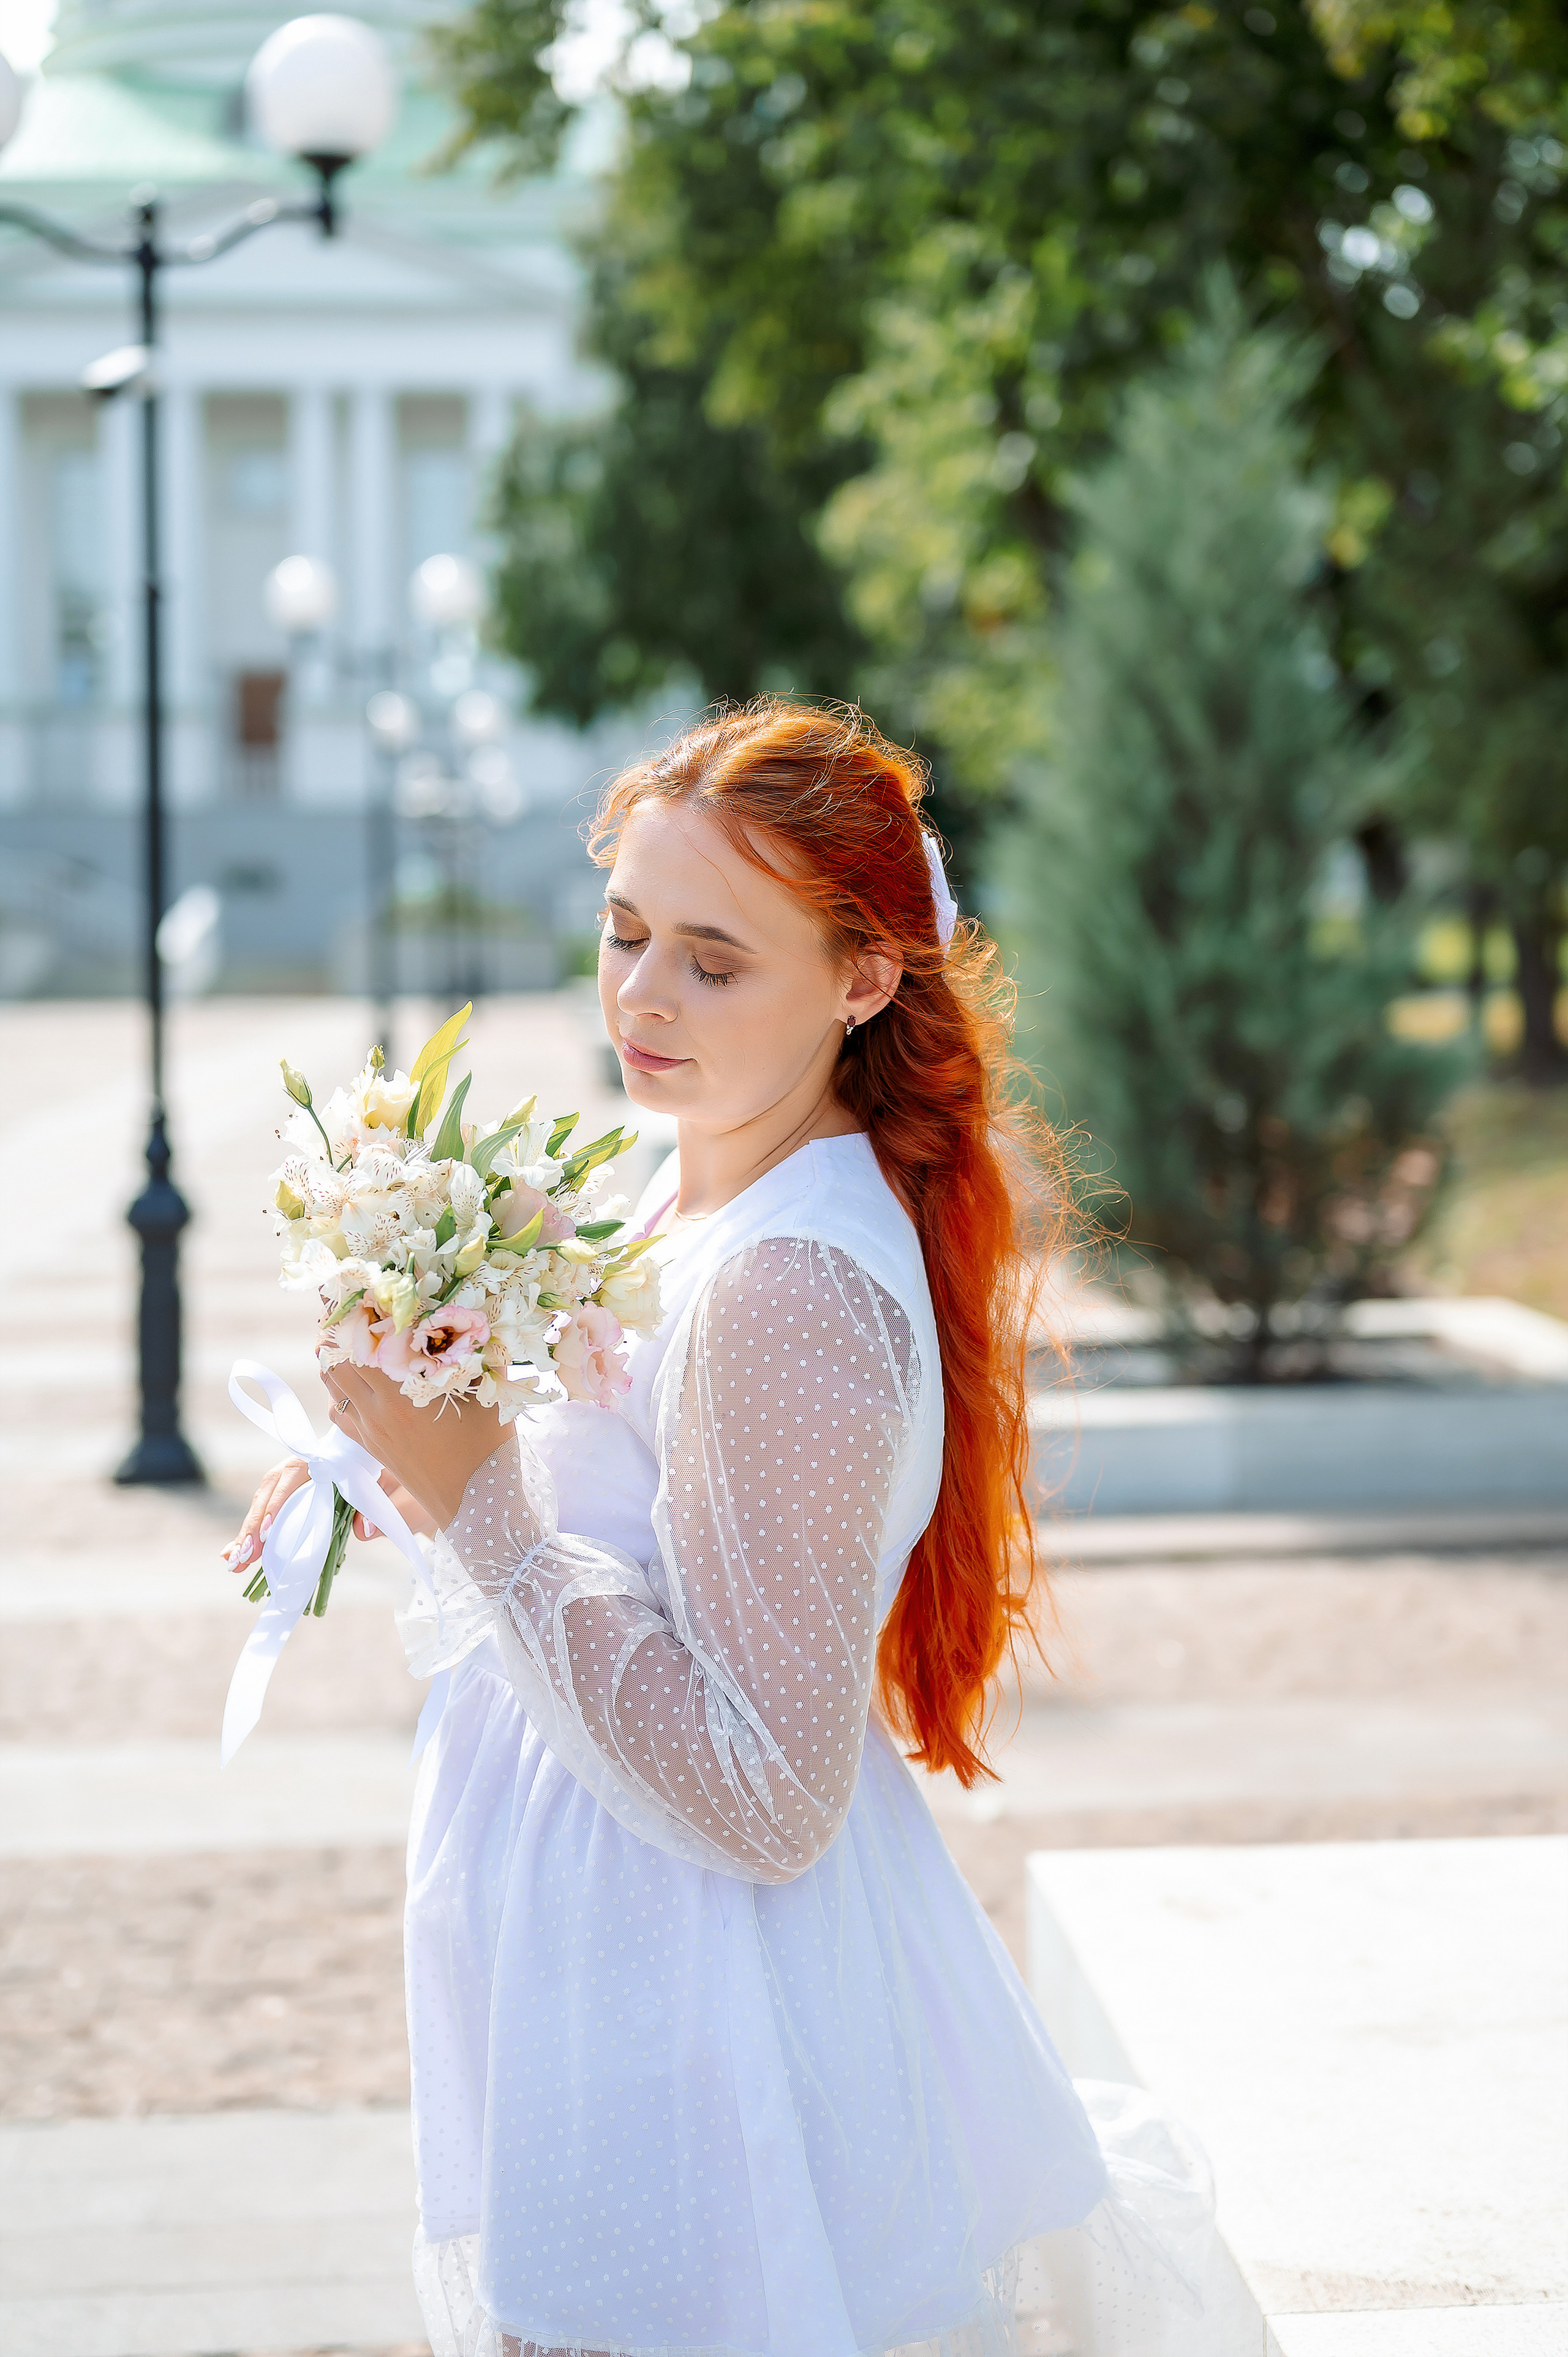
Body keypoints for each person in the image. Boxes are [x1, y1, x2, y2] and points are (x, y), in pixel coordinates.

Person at [227, 702, 1212, 2357]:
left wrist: (486, 1510)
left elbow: (768, 1797)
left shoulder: (788, 1287)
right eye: (624, 934)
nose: (642, 997)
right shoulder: (679, 1180)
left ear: (864, 977)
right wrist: (404, 1447)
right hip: (623, 1966)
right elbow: (619, 1517)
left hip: (711, 2030)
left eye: (712, 959)